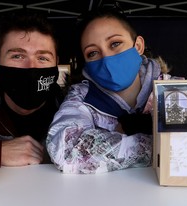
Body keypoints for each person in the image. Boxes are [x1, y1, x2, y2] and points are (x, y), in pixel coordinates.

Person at [46, 8, 175, 174]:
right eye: (92, 52)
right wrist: (154, 143)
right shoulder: (82, 97)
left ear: (138, 46)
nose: (106, 58)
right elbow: (65, 150)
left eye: (115, 44)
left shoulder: (173, 91)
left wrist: (114, 141)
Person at [0, 11, 62, 168]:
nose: (31, 67)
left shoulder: (72, 107)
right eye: (17, 56)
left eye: (42, 58)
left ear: (56, 64)